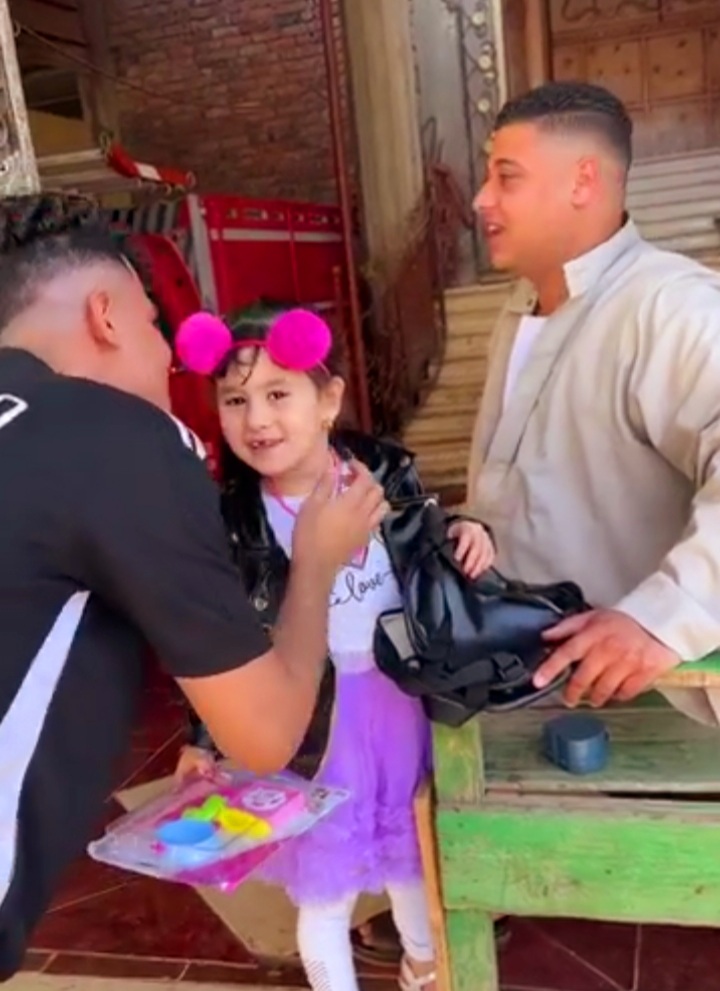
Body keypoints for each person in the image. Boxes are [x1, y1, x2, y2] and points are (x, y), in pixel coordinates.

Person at [0, 194, 388, 981]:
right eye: (156, 328)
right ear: (106, 315)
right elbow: (265, 735)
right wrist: (316, 560)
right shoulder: (112, 434)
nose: (166, 361)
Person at [171, 302, 496, 991]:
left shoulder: (384, 473)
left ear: (329, 400)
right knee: (325, 891)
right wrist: (203, 737)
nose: (256, 420)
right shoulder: (237, 522)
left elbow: (426, 543)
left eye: (277, 394)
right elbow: (215, 637)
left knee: (414, 857)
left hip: (401, 701)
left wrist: (466, 531)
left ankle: (424, 966)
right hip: (315, 723)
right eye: (236, 400)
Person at [468, 80, 720, 722]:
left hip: (645, 719)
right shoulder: (518, 313)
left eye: (506, 177)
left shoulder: (669, 306)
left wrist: (668, 614)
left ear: (583, 180)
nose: (481, 199)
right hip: (526, 701)